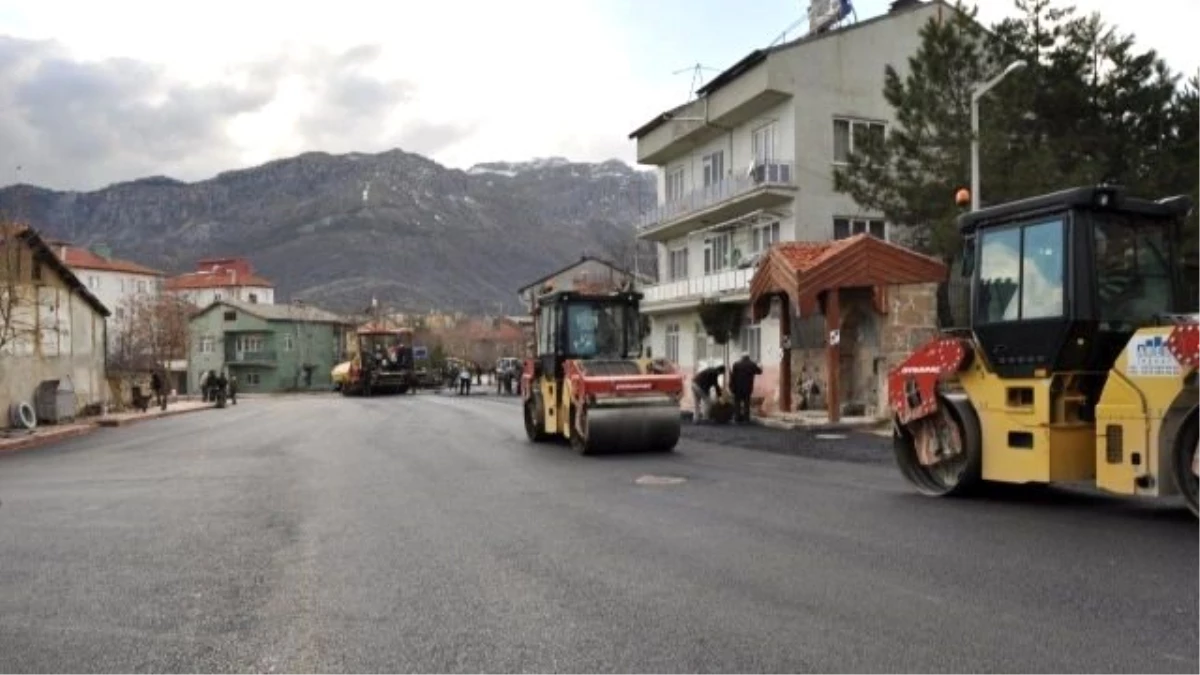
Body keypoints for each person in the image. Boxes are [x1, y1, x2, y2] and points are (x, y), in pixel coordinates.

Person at [730, 352, 762, 423]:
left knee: (737, 403)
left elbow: (733, 376)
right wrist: (758, 365)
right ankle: (746, 418)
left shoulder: (736, 364)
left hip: (737, 387)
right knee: (746, 402)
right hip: (748, 387)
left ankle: (737, 417)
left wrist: (732, 386)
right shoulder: (752, 364)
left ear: (741, 357)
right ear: (748, 357)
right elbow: (759, 372)